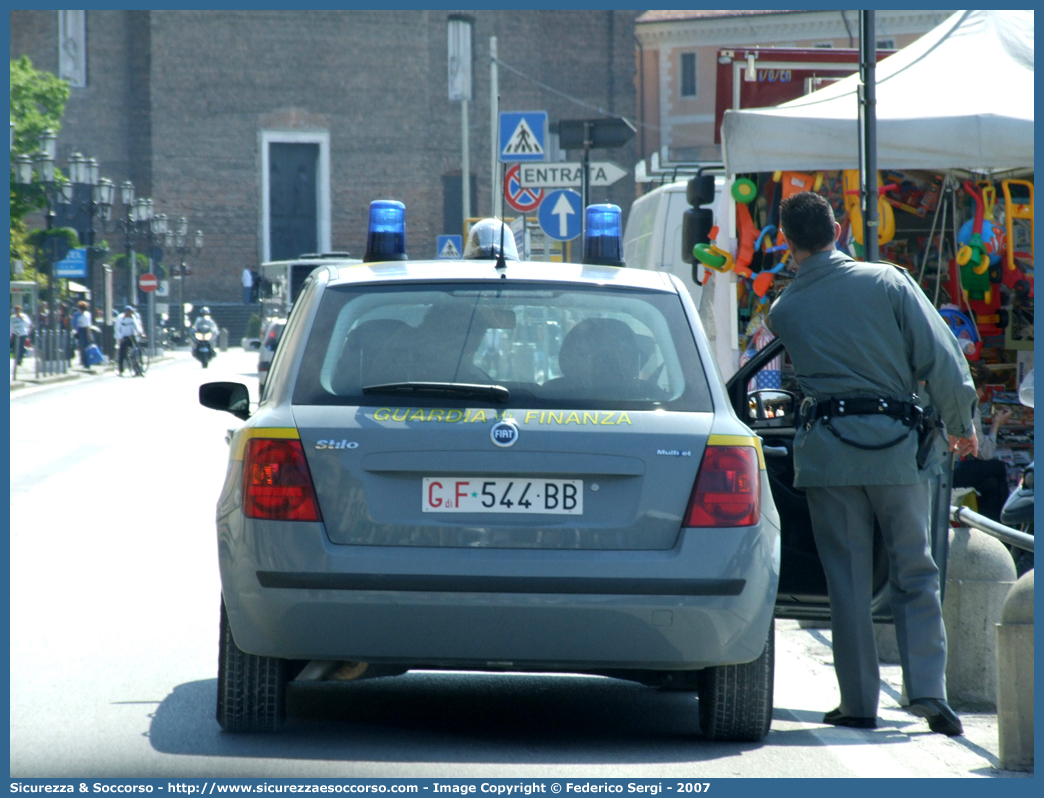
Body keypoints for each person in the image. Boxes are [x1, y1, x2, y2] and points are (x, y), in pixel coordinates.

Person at [767, 192, 978, 737]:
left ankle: (858, 702)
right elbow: (942, 357)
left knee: (847, 581)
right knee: (915, 571)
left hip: (829, 458)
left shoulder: (783, 310)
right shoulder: (887, 281)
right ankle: (928, 691)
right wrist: (961, 424)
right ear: (838, 228)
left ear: (788, 242)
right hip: (896, 452)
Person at [952, 363, 1011, 521]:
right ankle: (1003, 526)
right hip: (950, 470)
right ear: (975, 389)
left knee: (991, 483)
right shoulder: (970, 407)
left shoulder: (952, 400)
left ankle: (991, 528)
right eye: (983, 388)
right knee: (998, 468)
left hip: (944, 466)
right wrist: (996, 425)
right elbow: (984, 454)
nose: (983, 393)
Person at [114, 305, 145, 376]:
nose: (130, 313)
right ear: (126, 312)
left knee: (137, 350)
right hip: (123, 337)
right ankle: (121, 370)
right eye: (129, 312)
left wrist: (140, 332)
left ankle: (138, 368)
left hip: (131, 336)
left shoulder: (133, 318)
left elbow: (137, 325)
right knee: (122, 353)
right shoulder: (120, 318)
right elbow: (117, 329)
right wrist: (120, 337)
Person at [10, 305, 33, 380]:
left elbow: (28, 323)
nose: (17, 311)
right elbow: (11, 326)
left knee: (20, 346)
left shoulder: (24, 316)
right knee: (15, 347)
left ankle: (19, 359)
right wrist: (10, 335)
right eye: (16, 310)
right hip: (16, 333)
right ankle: (17, 357)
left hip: (23, 333)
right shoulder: (13, 317)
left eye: (18, 310)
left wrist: (21, 318)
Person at [73, 300, 95, 372]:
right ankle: (85, 363)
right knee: (84, 348)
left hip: (83, 331)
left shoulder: (82, 315)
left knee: (84, 348)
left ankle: (86, 363)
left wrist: (88, 336)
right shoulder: (86, 314)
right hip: (83, 331)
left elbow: (87, 326)